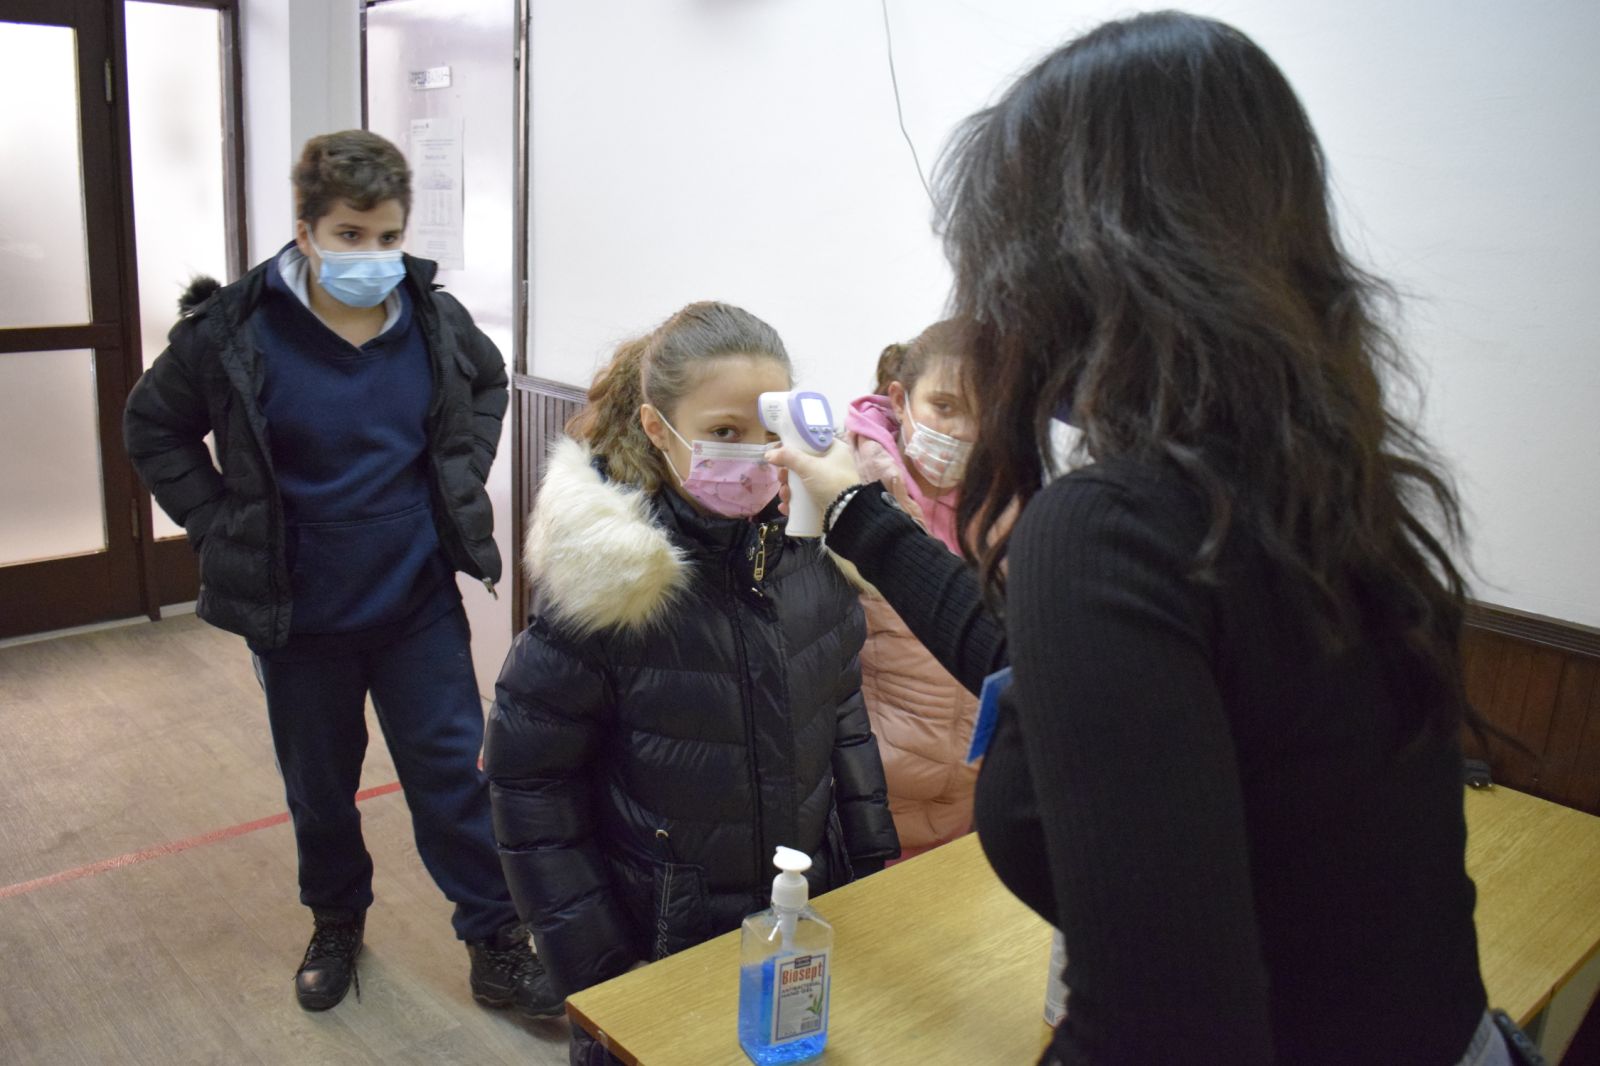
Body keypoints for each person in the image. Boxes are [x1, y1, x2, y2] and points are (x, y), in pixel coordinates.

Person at [774, 12, 1505, 1065]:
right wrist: (856, 511)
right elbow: (1053, 678)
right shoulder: (1317, 486)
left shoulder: (1113, 522)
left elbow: (1161, 1032)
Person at [123, 130, 558, 1018]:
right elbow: (151, 426)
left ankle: (494, 937)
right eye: (350, 236)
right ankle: (335, 920)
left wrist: (460, 475)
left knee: (452, 776)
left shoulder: (432, 319)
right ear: (306, 230)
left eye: (388, 236)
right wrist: (218, 525)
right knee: (320, 790)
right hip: (298, 615)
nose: (372, 256)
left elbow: (488, 385)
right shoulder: (233, 332)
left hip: (414, 603)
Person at [483, 301, 898, 1062]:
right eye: (724, 432)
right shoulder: (613, 583)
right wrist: (603, 974)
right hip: (658, 945)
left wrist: (871, 879)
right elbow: (531, 782)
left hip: (794, 928)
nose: (753, 456)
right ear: (656, 427)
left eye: (768, 431)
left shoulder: (815, 558)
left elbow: (843, 717)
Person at [844, 321, 983, 858]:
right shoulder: (845, 491)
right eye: (944, 407)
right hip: (867, 803)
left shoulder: (1010, 506)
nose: (962, 431)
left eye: (985, 412)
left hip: (972, 802)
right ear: (900, 400)